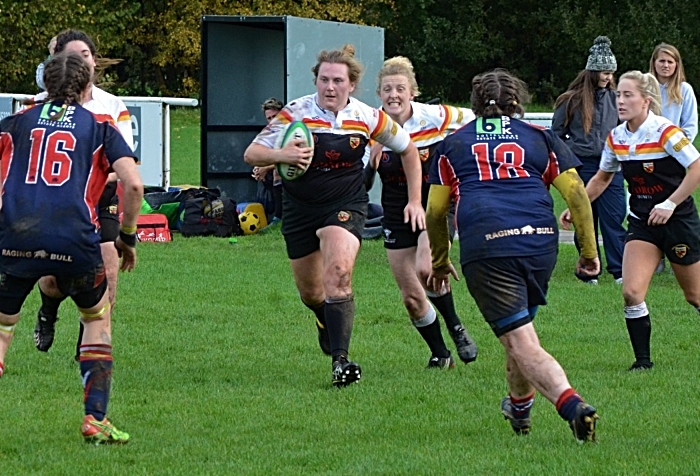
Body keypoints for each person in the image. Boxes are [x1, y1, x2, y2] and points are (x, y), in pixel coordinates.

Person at [426, 69, 600, 442]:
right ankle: (519, 410)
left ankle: (573, 406)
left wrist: (440, 260)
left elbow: (436, 212)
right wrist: (588, 251)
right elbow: (577, 195)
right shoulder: (540, 138)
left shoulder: (453, 144)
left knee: (521, 342)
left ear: (474, 104)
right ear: (518, 104)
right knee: (519, 334)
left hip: (489, 245)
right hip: (539, 243)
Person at [244, 45, 425, 387]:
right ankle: (324, 319)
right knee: (312, 293)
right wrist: (280, 154)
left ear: (351, 84)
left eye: (337, 81)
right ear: (316, 81)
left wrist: (415, 200)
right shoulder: (296, 112)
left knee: (339, 274)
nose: (330, 87)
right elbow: (251, 153)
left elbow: (408, 149)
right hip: (299, 208)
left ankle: (341, 361)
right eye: (324, 80)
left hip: (345, 203)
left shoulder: (368, 116)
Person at [0, 51, 143, 443]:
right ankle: (95, 419)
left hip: (14, 239)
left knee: (2, 330)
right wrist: (127, 237)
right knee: (96, 319)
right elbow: (132, 184)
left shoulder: (14, 123)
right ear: (85, 88)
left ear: (46, 84)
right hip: (77, 242)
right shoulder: (99, 126)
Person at [561, 71, 700, 371]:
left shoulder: (665, 132)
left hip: (678, 222)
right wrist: (577, 206)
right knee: (631, 292)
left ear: (645, 101)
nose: (620, 101)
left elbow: (697, 168)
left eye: (627, 95)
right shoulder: (617, 136)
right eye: (618, 94)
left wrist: (670, 203)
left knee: (694, 295)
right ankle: (643, 363)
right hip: (642, 222)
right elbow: (601, 178)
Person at [366, 56, 477, 369]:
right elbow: (363, 182)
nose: (393, 95)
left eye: (400, 88)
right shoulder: (372, 124)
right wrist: (371, 155)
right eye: (387, 89)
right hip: (395, 210)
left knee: (426, 268)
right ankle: (441, 355)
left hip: (437, 202)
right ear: (379, 94)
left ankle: (455, 324)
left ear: (412, 92)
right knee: (412, 298)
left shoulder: (436, 117)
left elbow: (479, 119)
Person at [33, 29, 135, 360]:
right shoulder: (37, 107)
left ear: (94, 60)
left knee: (107, 273)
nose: (82, 62)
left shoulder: (112, 106)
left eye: (86, 55)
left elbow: (126, 164)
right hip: (52, 203)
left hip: (99, 198)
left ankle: (87, 349)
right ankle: (48, 309)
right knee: (51, 280)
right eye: (73, 56)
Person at [552, 36, 625, 285]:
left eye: (611, 73)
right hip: (581, 166)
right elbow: (556, 135)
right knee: (585, 218)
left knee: (614, 217)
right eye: (605, 72)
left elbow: (625, 131)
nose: (608, 77)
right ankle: (588, 269)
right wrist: (567, 159)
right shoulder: (570, 99)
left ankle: (619, 271)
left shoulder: (618, 100)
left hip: (612, 166)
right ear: (593, 71)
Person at [649, 43, 698, 274]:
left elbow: (690, 126)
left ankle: (679, 253)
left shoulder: (684, 90)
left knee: (673, 203)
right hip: (647, 155)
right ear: (654, 63)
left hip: (675, 155)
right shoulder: (646, 87)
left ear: (676, 64)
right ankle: (653, 256)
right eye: (662, 61)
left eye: (670, 61)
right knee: (647, 203)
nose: (666, 65)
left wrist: (673, 147)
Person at [252, 98, 284, 227]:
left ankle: (279, 217)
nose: (272, 121)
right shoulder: (269, 133)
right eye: (269, 118)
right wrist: (259, 167)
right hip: (279, 167)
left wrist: (266, 167)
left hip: (298, 169)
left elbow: (288, 158)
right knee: (264, 173)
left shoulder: (291, 130)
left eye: (275, 117)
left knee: (276, 172)